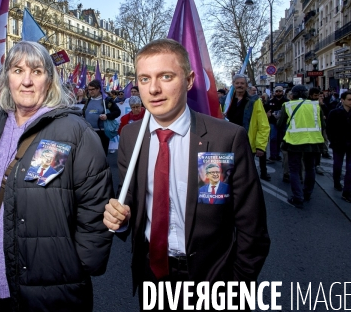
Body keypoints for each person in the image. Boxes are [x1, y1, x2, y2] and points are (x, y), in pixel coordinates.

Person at [0, 41, 114, 310]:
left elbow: (95, 204)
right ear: (6, 77)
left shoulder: (74, 132)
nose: (27, 81)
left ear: (50, 79)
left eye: (37, 71)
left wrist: (80, 265)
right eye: (17, 70)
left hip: (48, 283)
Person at [103, 39, 270, 309]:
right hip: (152, 277)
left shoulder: (225, 138)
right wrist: (120, 219)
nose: (154, 89)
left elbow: (253, 229)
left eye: (166, 76)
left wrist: (237, 289)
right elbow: (132, 202)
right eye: (144, 79)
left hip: (213, 280)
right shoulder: (131, 137)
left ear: (189, 80)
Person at [277, 85, 325, 208]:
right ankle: (307, 193)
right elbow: (323, 123)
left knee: (294, 170)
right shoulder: (315, 105)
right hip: (313, 141)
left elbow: (280, 123)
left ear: (292, 94)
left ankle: (298, 197)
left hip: (294, 141)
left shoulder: (287, 105)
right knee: (310, 169)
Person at [225, 74, 271, 181]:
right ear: (233, 85)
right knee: (229, 174)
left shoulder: (254, 101)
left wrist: (260, 146)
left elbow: (263, 125)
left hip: (247, 144)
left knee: (245, 174)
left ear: (246, 86)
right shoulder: (225, 101)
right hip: (228, 143)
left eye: (242, 83)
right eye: (237, 83)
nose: (239, 85)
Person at [83, 79, 120, 155]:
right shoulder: (88, 100)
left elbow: (117, 112)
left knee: (101, 155)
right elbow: (84, 112)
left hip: (102, 132)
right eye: (89, 90)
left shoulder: (107, 100)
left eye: (92, 89)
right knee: (89, 155)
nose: (90, 91)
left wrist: (107, 116)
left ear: (98, 89)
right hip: (89, 131)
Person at [267, 86, 287, 161]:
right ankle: (272, 155)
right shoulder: (270, 101)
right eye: (277, 91)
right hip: (273, 122)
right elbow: (266, 110)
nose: (278, 92)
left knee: (281, 139)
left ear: (283, 92)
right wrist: (269, 114)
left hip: (283, 123)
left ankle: (278, 154)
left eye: (280, 91)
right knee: (273, 138)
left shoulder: (287, 101)